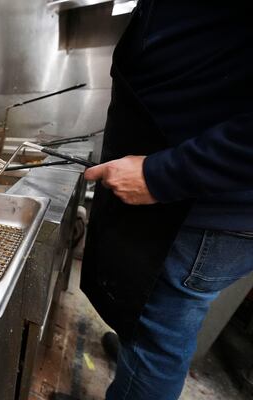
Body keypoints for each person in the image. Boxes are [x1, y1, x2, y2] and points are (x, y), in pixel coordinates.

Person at [80, 1, 253, 400]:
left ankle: (139, 366)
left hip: (199, 207)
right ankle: (134, 349)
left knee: (155, 348)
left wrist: (161, 176)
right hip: (181, 197)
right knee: (142, 322)